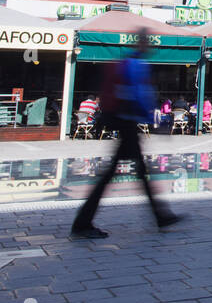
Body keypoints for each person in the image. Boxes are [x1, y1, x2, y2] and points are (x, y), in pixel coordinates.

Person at [72, 32, 180, 238]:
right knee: (117, 173)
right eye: (147, 42)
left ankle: (161, 215)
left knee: (135, 171)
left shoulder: (127, 61)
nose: (149, 46)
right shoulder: (135, 64)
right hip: (126, 121)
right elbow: (138, 95)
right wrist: (153, 122)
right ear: (142, 43)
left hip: (123, 120)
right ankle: (83, 222)